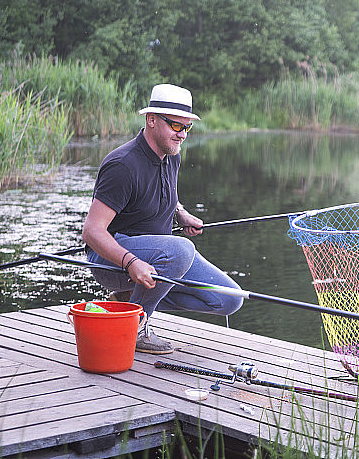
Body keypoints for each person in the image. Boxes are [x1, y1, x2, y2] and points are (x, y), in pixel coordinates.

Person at [82, 83, 243, 355]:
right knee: (181, 249)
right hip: (112, 259)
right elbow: (92, 231)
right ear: (151, 120)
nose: (182, 135)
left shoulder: (171, 155)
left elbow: (161, 189)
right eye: (176, 126)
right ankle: (135, 325)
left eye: (187, 128)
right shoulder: (122, 165)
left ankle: (127, 303)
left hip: (159, 256)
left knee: (228, 299)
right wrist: (131, 262)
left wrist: (179, 211)